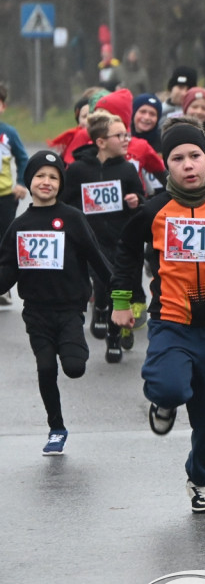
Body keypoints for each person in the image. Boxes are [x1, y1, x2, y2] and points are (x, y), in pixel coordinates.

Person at [110, 117, 205, 513]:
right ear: (167, 165)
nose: (189, 164)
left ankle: (200, 478)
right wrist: (123, 302)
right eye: (178, 158)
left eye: (196, 155)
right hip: (172, 323)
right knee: (170, 387)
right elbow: (125, 251)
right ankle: (163, 404)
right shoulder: (155, 209)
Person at [0, 152, 112, 455]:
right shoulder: (20, 225)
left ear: (60, 183)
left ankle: (76, 350)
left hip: (70, 309)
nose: (46, 182)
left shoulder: (72, 218)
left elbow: (95, 257)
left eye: (53, 177)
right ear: (30, 181)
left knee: (74, 368)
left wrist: (118, 291)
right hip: (36, 311)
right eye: (40, 176)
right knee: (46, 368)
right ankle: (56, 427)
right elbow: (7, 269)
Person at [63, 110, 146, 361]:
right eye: (119, 135)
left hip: (122, 239)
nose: (126, 139)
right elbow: (65, 201)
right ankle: (98, 308)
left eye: (126, 134)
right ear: (100, 142)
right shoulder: (78, 170)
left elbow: (140, 197)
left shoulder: (128, 170)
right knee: (100, 282)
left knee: (119, 287)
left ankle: (114, 338)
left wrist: (136, 201)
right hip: (92, 240)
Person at [0, 82, 29, 305]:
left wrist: (21, 183)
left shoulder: (8, 133)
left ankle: (2, 286)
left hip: (5, 197)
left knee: (4, 240)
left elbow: (23, 158)